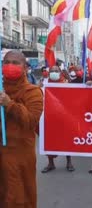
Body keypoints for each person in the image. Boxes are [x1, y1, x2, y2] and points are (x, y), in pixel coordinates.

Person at [0, 50, 43, 208]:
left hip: (19, 154)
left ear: (25, 68)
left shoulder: (33, 92)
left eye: (15, 63)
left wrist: (9, 104)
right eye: (7, 62)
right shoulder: (0, 88)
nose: (10, 66)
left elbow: (31, 121)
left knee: (18, 196)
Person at [41, 65, 75, 173]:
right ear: (48, 72)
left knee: (66, 139)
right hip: (49, 116)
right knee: (49, 139)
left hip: (64, 116)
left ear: (60, 72)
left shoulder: (66, 83)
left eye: (56, 71)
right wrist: (39, 87)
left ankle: (69, 161)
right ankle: (51, 163)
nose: (54, 72)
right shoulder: (44, 84)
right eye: (52, 71)